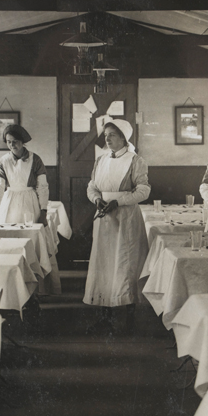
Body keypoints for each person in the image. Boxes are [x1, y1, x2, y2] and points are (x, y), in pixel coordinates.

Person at [84, 119, 150, 332]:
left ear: (123, 137)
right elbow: (92, 187)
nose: (108, 139)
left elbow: (143, 191)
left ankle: (129, 318)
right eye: (106, 135)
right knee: (104, 264)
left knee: (126, 263)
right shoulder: (101, 160)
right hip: (104, 218)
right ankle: (106, 315)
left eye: (112, 135)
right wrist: (97, 200)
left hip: (126, 218)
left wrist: (118, 202)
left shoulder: (135, 161)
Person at [0, 124, 49, 226]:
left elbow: (42, 186)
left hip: (29, 202)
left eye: (15, 142)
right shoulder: (3, 162)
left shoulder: (35, 160)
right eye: (9, 142)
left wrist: (43, 210)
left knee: (30, 230)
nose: (12, 145)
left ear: (22, 141)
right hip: (9, 202)